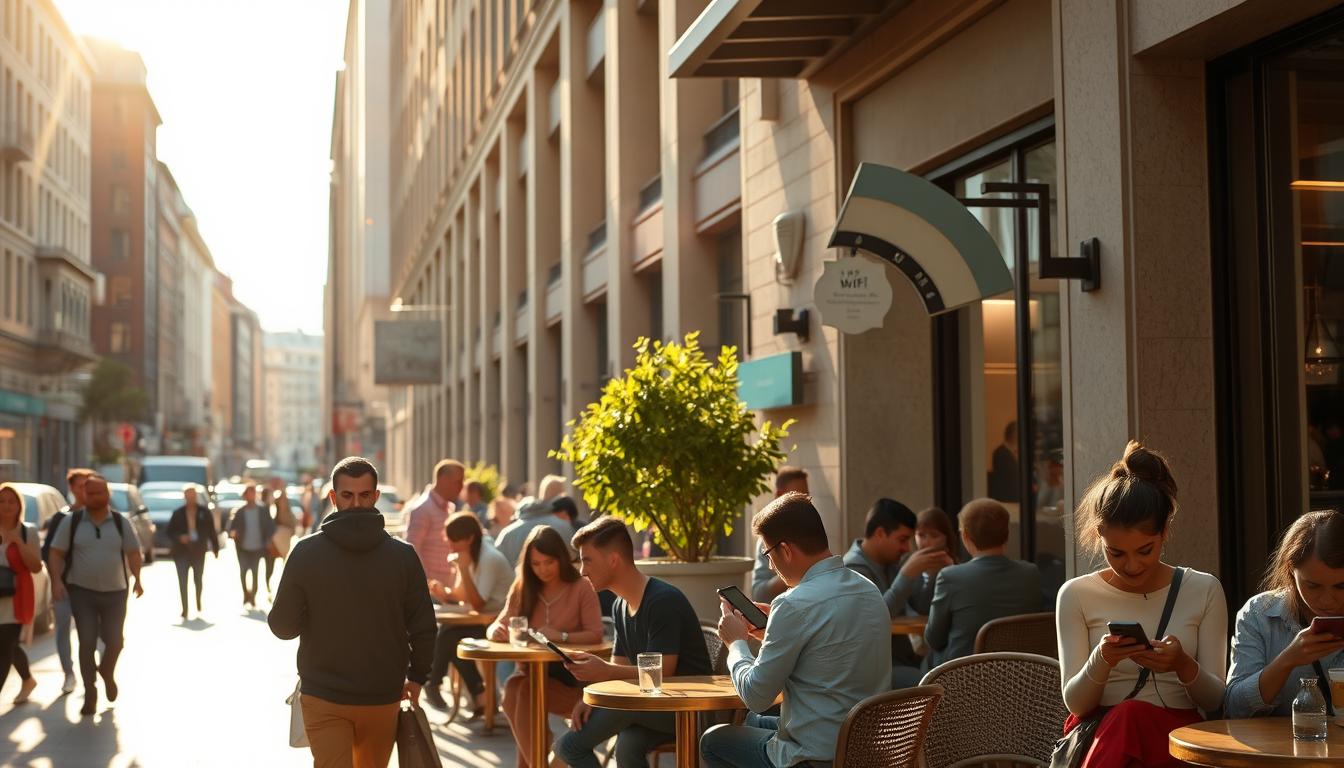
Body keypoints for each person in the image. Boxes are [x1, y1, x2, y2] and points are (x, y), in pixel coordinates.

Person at [1056, 441, 1227, 767]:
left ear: (1165, 531)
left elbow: (1216, 699)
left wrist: (1182, 664)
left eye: (1144, 550)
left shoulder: (1203, 589)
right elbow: (1076, 704)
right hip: (1103, 733)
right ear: (1099, 535)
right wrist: (1102, 659)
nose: (1131, 565)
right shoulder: (1076, 594)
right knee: (1127, 716)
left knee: (1131, 716)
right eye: (1116, 553)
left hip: (1180, 737)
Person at [269, 456, 436, 768]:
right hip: (373, 693)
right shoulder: (402, 556)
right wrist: (417, 677)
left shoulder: (306, 553)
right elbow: (424, 626)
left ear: (374, 496)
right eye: (348, 495)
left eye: (363, 495)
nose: (356, 502)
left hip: (334, 692)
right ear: (333, 497)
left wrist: (313, 609)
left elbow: (283, 627)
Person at [701, 493, 891, 768]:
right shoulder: (868, 589)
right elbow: (826, 654)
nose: (770, 565)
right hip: (865, 749)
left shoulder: (794, 604)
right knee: (754, 723)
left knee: (713, 740)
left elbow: (755, 696)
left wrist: (736, 643)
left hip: (817, 757)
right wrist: (773, 630)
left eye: (768, 554)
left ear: (786, 550)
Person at [556, 516, 713, 768]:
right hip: (653, 704)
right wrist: (587, 697)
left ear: (613, 560)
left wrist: (604, 670)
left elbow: (663, 673)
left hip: (687, 709)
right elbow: (618, 668)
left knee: (568, 747)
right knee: (627, 746)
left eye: (587, 560)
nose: (582, 571)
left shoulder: (662, 601)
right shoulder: (620, 605)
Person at [488, 526, 603, 766]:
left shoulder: (581, 586)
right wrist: (496, 631)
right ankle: (538, 761)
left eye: (549, 562)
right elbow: (497, 623)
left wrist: (560, 636)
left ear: (560, 558)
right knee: (513, 689)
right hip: (533, 674)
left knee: (522, 691)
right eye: (536, 563)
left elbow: (596, 633)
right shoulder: (523, 587)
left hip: (574, 680)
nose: (543, 570)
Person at [1225, 508, 1344, 717]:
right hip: (1283, 747)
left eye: (1341, 586)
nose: (1327, 600)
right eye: (1313, 586)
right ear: (1290, 570)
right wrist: (1287, 660)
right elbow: (1235, 709)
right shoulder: (1259, 614)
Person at [47, 475, 144, 717]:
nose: (94, 498)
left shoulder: (121, 522)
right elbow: (56, 553)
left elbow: (133, 552)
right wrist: (57, 581)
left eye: (99, 493)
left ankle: (107, 672)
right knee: (87, 642)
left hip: (116, 592)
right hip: (82, 592)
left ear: (107, 495)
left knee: (115, 641)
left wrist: (138, 579)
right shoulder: (73, 522)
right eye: (90, 494)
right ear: (84, 495)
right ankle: (90, 693)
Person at [924, 498, 1042, 668]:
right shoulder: (1030, 574)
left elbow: (933, 639)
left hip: (964, 679)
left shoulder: (950, 577)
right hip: (1019, 677)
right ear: (1007, 534)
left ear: (965, 536)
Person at [841, 498, 947, 686]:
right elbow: (877, 617)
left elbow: (921, 606)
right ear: (880, 533)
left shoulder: (890, 563)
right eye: (903, 539)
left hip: (902, 660)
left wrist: (932, 574)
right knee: (938, 685)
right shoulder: (852, 569)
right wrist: (907, 574)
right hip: (872, 671)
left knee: (949, 669)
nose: (907, 548)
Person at [423, 512, 513, 714]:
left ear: (470, 538)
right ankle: (479, 696)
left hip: (498, 624)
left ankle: (434, 682)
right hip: (484, 620)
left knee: (449, 635)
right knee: (451, 636)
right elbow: (462, 595)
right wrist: (443, 593)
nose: (452, 547)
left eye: (455, 541)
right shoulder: (472, 555)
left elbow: (478, 603)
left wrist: (462, 569)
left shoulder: (489, 558)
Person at [42, 466, 91, 695]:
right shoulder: (61, 518)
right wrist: (55, 581)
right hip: (64, 585)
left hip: (90, 587)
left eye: (87, 486)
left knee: (91, 631)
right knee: (63, 629)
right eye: (80, 486)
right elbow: (48, 552)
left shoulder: (100, 516)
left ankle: (93, 672)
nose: (84, 490)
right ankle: (69, 674)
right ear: (71, 488)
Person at [0, 484, 41, 704]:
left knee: (5, 644)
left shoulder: (28, 531)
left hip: (16, 598)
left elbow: (36, 567)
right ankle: (27, 679)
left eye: (11, 501)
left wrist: (18, 542)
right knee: (9, 644)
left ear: (19, 506)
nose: (6, 506)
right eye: (1, 501)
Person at [749, 467, 810, 602]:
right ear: (779, 495)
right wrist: (795, 571)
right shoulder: (769, 539)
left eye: (806, 496)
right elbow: (759, 593)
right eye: (797, 496)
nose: (805, 503)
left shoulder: (811, 529)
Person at [406, 459, 465, 587]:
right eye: (458, 482)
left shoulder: (448, 507)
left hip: (445, 587)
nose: (462, 487)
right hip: (431, 590)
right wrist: (427, 582)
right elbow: (412, 549)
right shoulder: (423, 509)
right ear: (443, 479)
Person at [166, 485, 219, 619]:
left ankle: (198, 601)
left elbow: (212, 530)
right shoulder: (178, 513)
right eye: (188, 495)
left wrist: (215, 548)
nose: (191, 498)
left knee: (198, 579)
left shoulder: (204, 512)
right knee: (183, 581)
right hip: (182, 552)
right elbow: (169, 532)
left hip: (198, 551)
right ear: (185, 497)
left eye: (193, 495)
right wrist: (180, 537)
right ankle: (185, 608)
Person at [227, 485, 275, 608]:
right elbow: (231, 528)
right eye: (248, 493)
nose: (251, 495)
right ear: (245, 495)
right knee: (243, 572)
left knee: (255, 572)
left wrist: (269, 540)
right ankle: (245, 594)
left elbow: (270, 526)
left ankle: (253, 596)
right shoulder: (240, 511)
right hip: (243, 547)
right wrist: (233, 533)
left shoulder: (263, 510)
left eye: (253, 493)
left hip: (258, 547)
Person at [495, 493, 576, 567]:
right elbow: (574, 557)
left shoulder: (507, 533)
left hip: (521, 581)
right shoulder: (564, 525)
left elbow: (497, 566)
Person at [988, 421, 1020, 502]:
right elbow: (1010, 480)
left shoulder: (1011, 452)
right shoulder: (1001, 453)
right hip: (1006, 500)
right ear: (1014, 435)